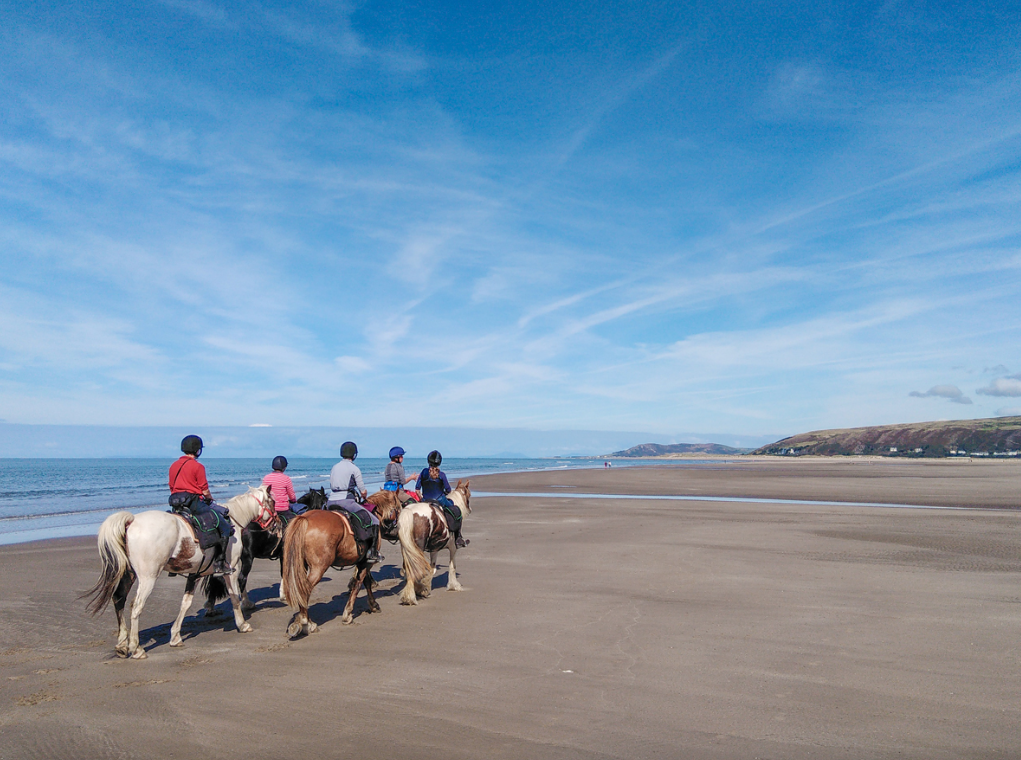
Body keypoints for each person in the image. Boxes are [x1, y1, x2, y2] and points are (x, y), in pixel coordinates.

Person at [168, 435, 233, 575]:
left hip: (176, 503)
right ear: (197, 450)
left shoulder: (173, 466)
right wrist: (210, 498)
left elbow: (172, 486)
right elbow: (204, 489)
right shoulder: (198, 466)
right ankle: (220, 562)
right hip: (193, 502)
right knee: (224, 526)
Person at [328, 441, 382, 563]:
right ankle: (373, 552)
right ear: (354, 454)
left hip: (330, 501)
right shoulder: (354, 469)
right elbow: (362, 490)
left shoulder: (334, 467)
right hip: (346, 501)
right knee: (375, 520)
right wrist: (364, 494)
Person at [415, 450, 467, 548]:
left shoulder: (423, 472)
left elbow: (417, 489)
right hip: (440, 500)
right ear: (439, 462)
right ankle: (458, 538)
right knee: (457, 511)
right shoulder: (441, 475)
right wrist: (444, 494)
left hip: (426, 500)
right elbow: (448, 489)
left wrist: (421, 498)